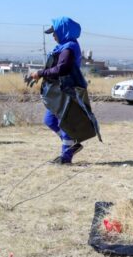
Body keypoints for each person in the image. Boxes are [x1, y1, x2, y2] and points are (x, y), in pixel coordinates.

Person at [29, 16, 98, 164]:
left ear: (63, 31)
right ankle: (72, 145)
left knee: (63, 122)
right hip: (59, 91)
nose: (53, 36)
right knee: (49, 120)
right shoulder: (63, 46)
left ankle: (66, 157)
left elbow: (62, 69)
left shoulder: (69, 47)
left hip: (66, 91)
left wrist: (40, 73)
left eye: (54, 32)